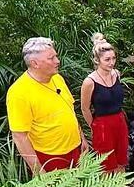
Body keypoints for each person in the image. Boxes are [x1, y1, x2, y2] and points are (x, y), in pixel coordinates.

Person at [7, 37, 88, 174]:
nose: (57, 61)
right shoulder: (19, 93)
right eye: (51, 58)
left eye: (56, 56)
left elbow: (70, 109)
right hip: (50, 157)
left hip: (75, 149)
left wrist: (82, 139)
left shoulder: (57, 78)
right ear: (35, 63)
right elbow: (19, 136)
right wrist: (37, 169)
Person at [80, 33, 129, 172]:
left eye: (113, 58)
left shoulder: (116, 74)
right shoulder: (90, 81)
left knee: (121, 160)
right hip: (102, 124)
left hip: (119, 121)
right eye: (107, 59)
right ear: (97, 61)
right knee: (106, 164)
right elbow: (85, 108)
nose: (111, 62)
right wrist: (94, 126)